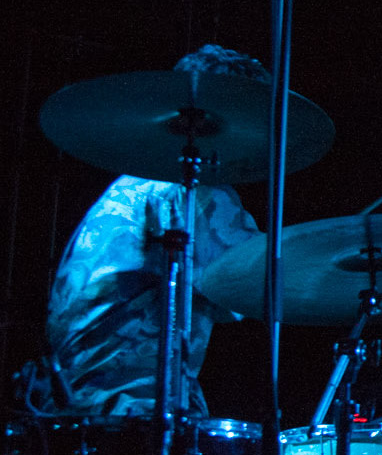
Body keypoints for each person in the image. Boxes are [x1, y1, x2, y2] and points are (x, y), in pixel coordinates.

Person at [40, 45, 268, 417]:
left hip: (79, 403)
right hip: (134, 406)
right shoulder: (192, 190)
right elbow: (258, 281)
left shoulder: (133, 185)